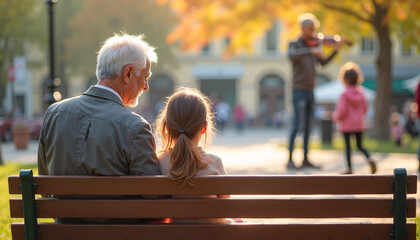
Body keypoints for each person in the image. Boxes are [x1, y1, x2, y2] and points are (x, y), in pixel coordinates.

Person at [38, 33, 161, 178]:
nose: (146, 87)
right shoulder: (136, 128)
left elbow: (43, 178)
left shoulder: (53, 114)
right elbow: (152, 195)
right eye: (145, 77)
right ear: (128, 73)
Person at [154, 87, 234, 223]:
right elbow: (225, 208)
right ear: (204, 127)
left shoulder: (159, 162)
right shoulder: (214, 162)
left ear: (167, 127)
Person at [286, 13, 345, 169]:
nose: (312, 32)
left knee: (308, 127)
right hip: (298, 91)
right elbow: (291, 56)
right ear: (302, 28)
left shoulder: (314, 45)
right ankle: (290, 160)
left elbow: (324, 62)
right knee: (297, 125)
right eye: (310, 29)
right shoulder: (295, 44)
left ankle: (305, 158)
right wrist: (310, 51)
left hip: (310, 91)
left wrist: (335, 50)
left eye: (314, 29)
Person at [332, 62, 377, 174]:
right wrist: (358, 116)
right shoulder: (361, 93)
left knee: (348, 147)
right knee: (360, 146)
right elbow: (365, 108)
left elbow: (341, 111)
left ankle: (349, 168)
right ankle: (369, 158)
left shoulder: (344, 95)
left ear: (345, 79)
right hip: (359, 124)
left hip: (346, 125)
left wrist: (335, 117)